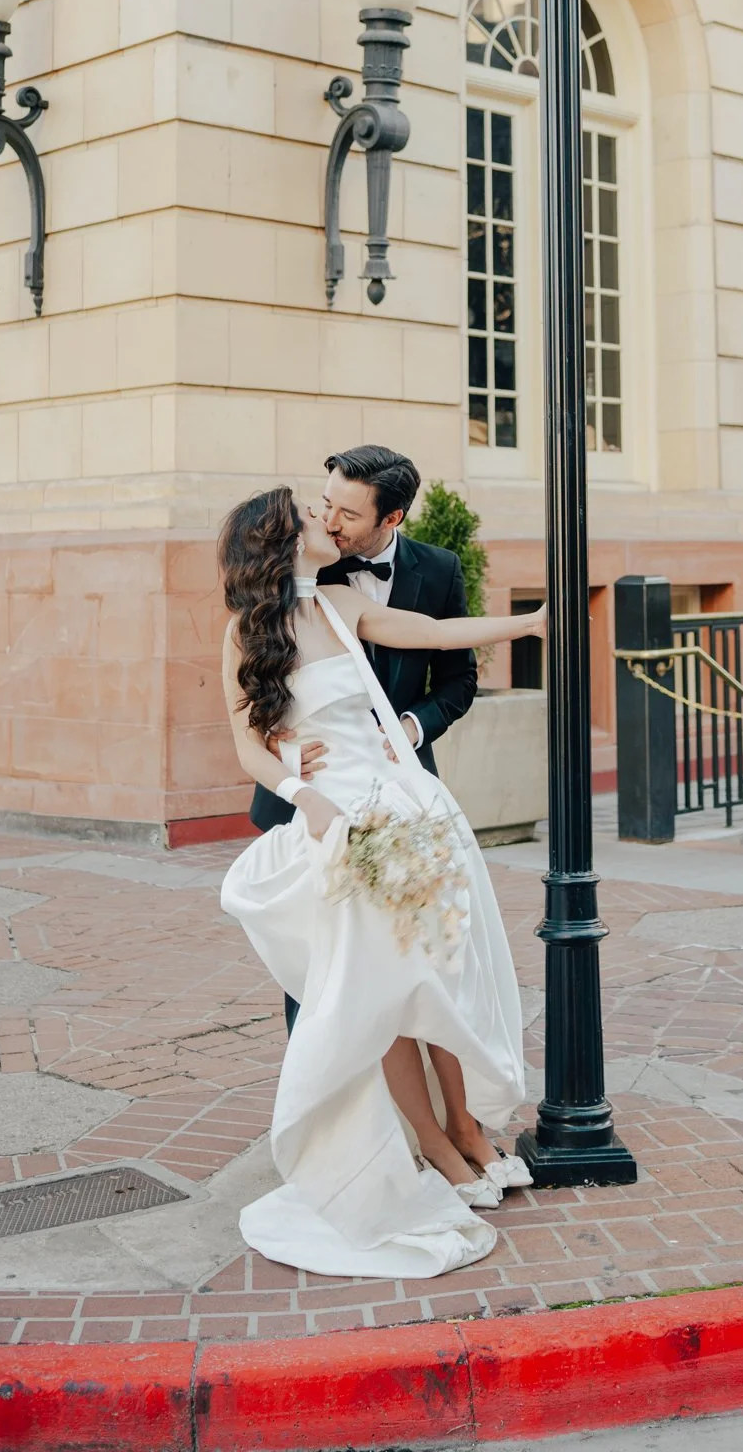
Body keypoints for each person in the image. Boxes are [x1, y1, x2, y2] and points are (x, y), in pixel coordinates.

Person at [218, 484, 546, 1279]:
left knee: (435, 971)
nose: (325, 523)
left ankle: (460, 1130)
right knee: (380, 992)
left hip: (407, 806)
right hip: (342, 823)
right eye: (309, 518)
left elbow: (435, 633)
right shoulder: (244, 632)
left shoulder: (340, 605)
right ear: (280, 541)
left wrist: (532, 624)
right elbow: (247, 746)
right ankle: (433, 1147)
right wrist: (305, 792)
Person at [247, 446, 480, 1034]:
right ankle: (320, 1092)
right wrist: (276, 739)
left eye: (348, 514)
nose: (329, 522)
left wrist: (411, 725)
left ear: (391, 518)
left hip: (399, 794)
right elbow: (251, 668)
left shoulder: (442, 570)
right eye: (326, 504)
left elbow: (459, 679)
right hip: (311, 793)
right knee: (316, 961)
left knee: (409, 951)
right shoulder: (304, 559)